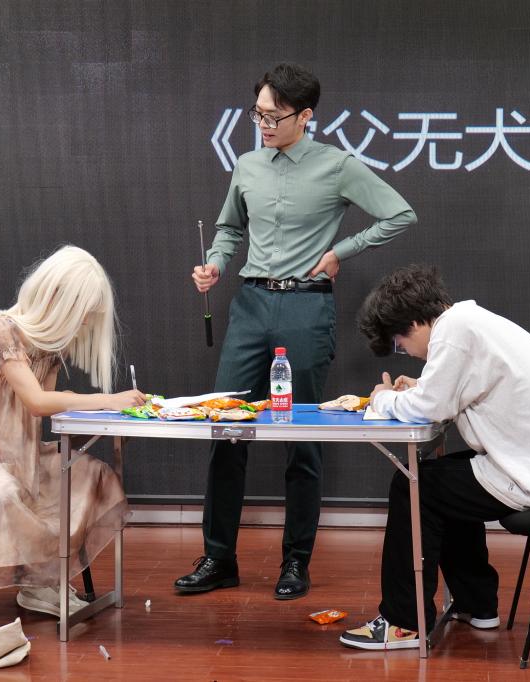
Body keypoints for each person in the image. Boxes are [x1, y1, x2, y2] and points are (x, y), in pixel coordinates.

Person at [178, 63, 418, 600]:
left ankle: (295, 561)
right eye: (258, 114)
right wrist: (215, 262)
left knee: (302, 434)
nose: (264, 124)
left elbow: (399, 214)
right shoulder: (246, 166)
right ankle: (219, 557)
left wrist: (341, 251)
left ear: (305, 116)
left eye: (274, 116)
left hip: (306, 307)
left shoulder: (337, 166)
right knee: (226, 427)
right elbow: (228, 228)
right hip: (250, 305)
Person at [339, 264, 530, 650]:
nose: (405, 352)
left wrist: (384, 398)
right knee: (441, 479)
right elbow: (455, 391)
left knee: (413, 484)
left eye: (399, 343)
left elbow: (430, 408)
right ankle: (477, 603)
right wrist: (424, 386)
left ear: (413, 323)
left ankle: (403, 622)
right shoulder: (470, 321)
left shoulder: (455, 333)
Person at [0, 245, 146, 634]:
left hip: (22, 453)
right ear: (58, 296)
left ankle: (40, 580)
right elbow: (37, 401)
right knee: (2, 491)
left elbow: (45, 409)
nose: (84, 321)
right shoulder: (2, 331)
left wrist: (108, 416)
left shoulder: (51, 346)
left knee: (88, 474)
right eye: (82, 311)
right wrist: (107, 400)